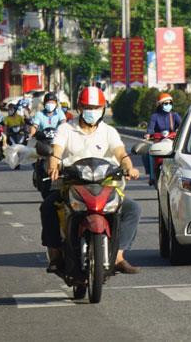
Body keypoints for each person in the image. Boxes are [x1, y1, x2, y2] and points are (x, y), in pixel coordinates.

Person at [40, 86, 142, 274]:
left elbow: (121, 153)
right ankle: (55, 255)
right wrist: (53, 164)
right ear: (79, 107)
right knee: (48, 207)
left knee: (132, 208)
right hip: (72, 184)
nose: (92, 111)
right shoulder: (66, 128)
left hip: (105, 186)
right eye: (88, 106)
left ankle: (118, 256)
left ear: (103, 109)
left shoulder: (108, 131)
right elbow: (56, 150)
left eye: (96, 107)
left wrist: (129, 167)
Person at [144, 93, 182, 185]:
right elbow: (151, 128)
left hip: (172, 141)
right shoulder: (155, 116)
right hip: (158, 140)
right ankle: (152, 176)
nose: (168, 105)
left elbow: (182, 125)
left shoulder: (174, 115)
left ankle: (180, 175)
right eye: (165, 103)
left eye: (170, 103)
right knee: (147, 154)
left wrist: (179, 132)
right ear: (160, 105)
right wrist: (148, 134)